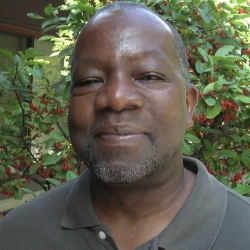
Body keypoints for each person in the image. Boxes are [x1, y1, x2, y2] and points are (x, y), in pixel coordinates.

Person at [0, 2, 250, 250]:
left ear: (188, 105)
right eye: (90, 80)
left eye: (149, 76)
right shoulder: (16, 235)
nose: (116, 98)